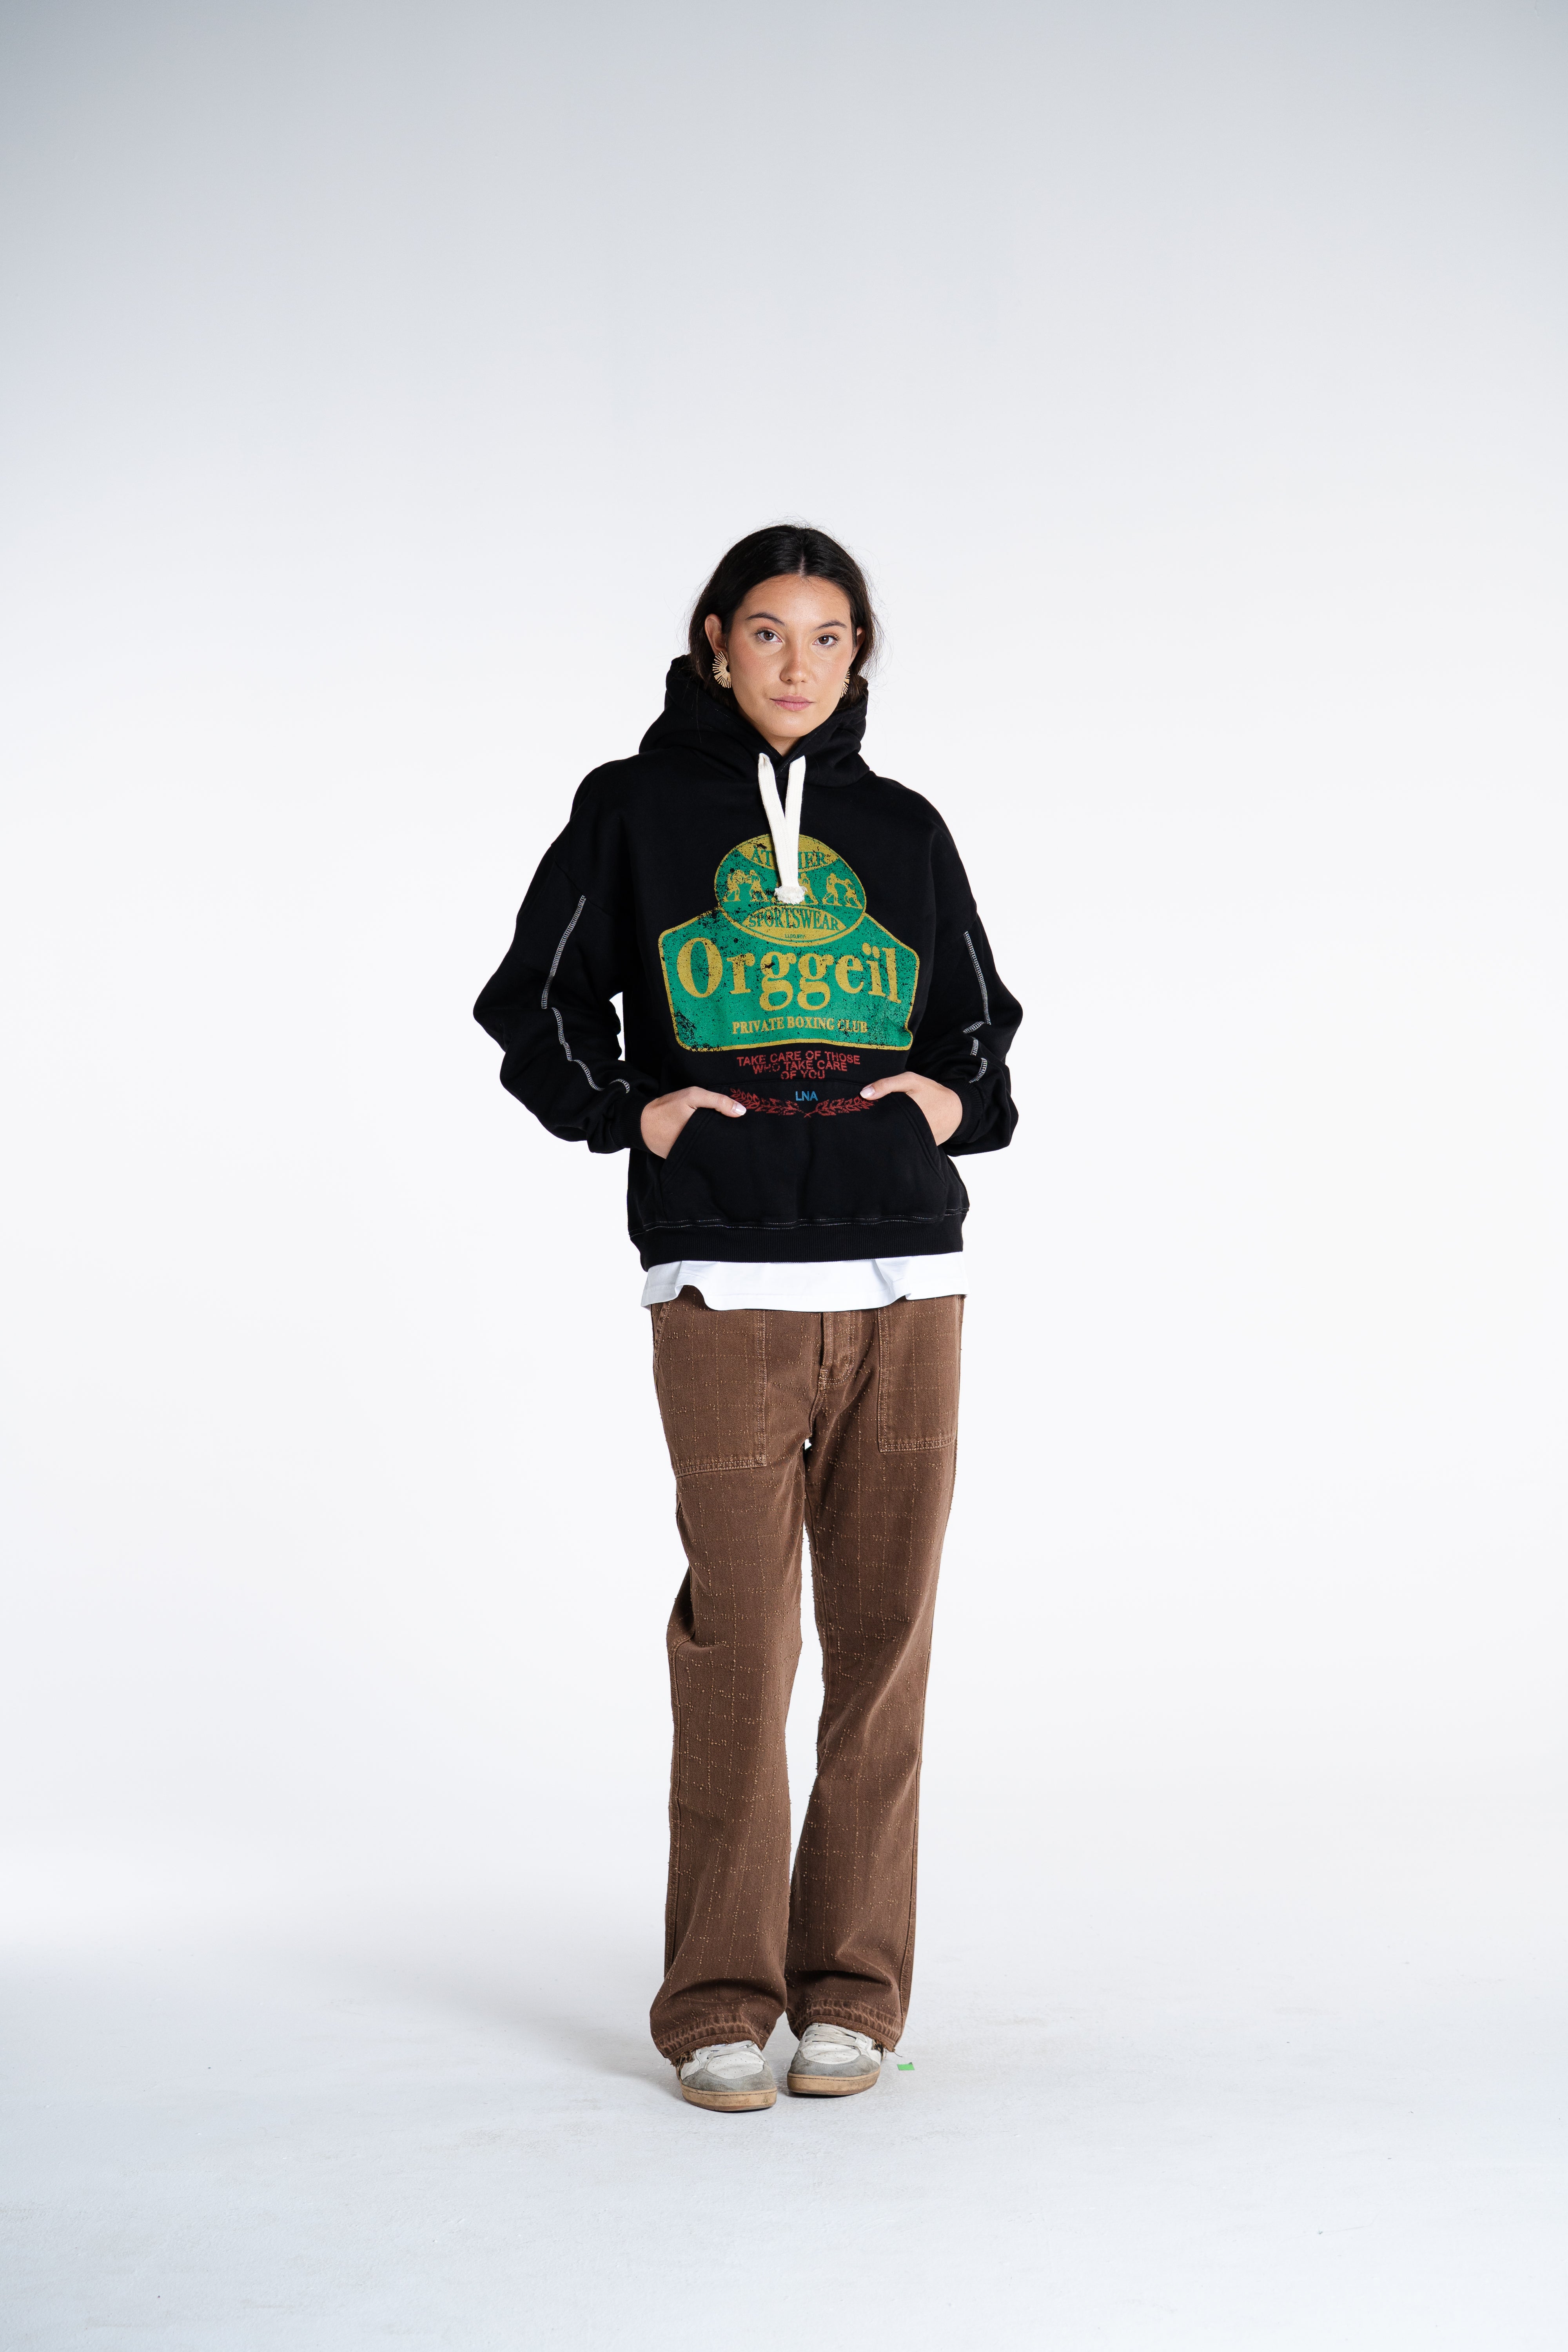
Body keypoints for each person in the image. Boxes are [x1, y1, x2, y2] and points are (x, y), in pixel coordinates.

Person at [474, 524, 1022, 2112]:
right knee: (741, 1638)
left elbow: (982, 1034)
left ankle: (852, 1991)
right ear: (716, 640)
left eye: (830, 636)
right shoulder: (631, 809)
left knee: (884, 1643)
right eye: (770, 631)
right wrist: (634, 1115)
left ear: (860, 657)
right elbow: (531, 1006)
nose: (799, 663)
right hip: (721, 1277)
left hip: (906, 1276)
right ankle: (717, 2000)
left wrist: (940, 1105)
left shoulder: (902, 829)